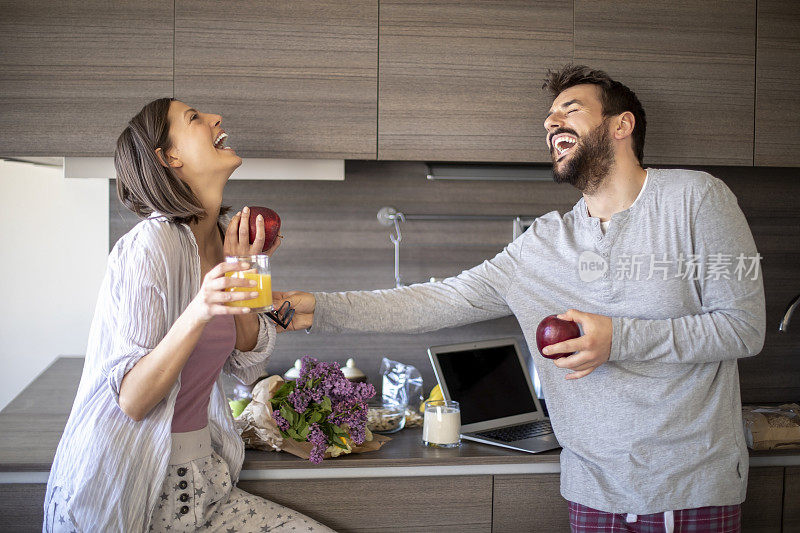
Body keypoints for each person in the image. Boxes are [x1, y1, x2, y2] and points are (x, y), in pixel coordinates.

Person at [276, 65, 765, 533]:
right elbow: (443, 299)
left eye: (570, 110)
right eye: (549, 118)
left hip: (690, 485)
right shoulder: (544, 243)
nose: (552, 123)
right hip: (592, 490)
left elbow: (744, 327)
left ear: (622, 125)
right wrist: (322, 307)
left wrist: (619, 338)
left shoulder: (696, 199)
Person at [43, 98, 335, 533]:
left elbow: (247, 366)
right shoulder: (150, 246)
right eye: (195, 118)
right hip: (129, 486)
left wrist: (243, 273)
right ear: (169, 157)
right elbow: (133, 400)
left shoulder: (227, 238)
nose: (217, 119)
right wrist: (200, 307)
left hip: (204, 479)